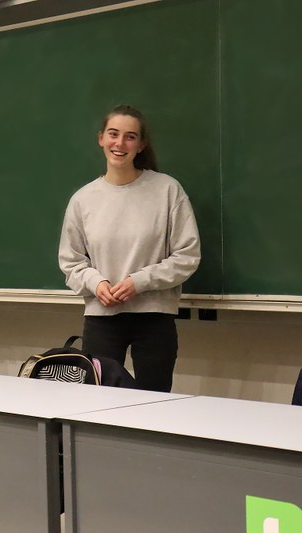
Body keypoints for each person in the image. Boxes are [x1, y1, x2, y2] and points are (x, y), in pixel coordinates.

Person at [58, 105, 200, 392]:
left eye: (130, 137)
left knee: (154, 402)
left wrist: (139, 282)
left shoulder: (167, 190)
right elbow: (71, 261)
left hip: (155, 317)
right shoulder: (83, 199)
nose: (119, 143)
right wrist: (96, 284)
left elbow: (187, 255)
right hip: (102, 318)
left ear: (141, 145)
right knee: (98, 403)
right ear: (101, 139)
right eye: (113, 134)